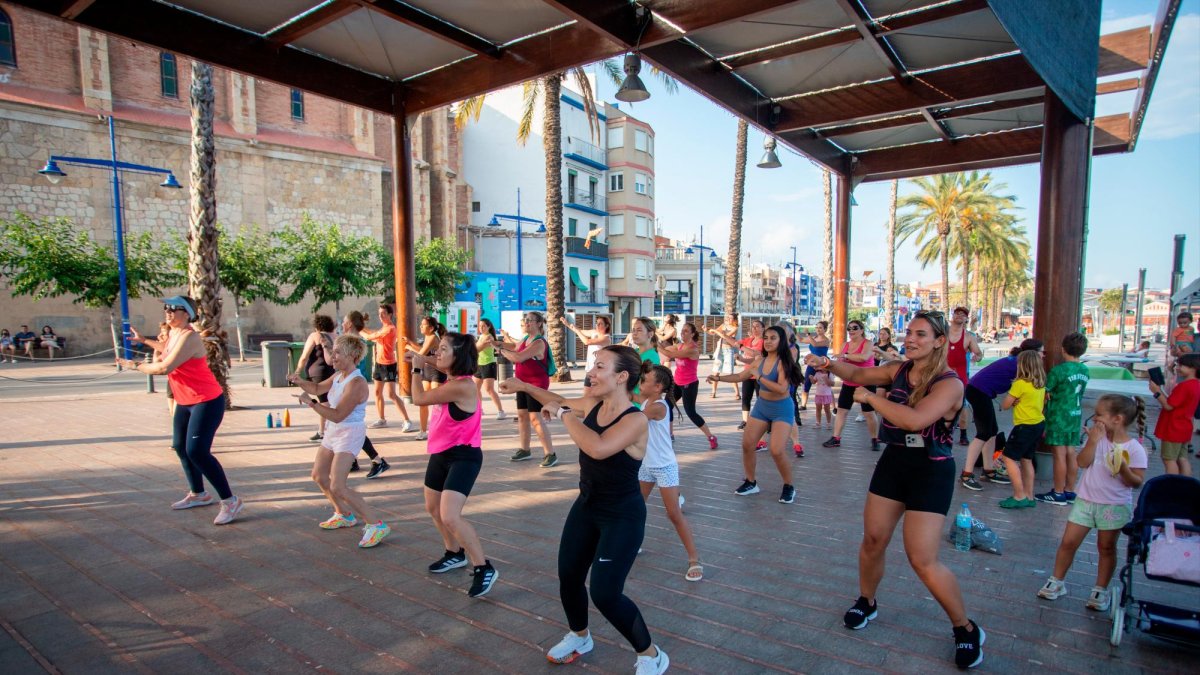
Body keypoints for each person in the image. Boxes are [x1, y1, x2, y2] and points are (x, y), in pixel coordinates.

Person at [807, 310, 984, 669]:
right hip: (895, 462)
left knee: (922, 560)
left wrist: (872, 400)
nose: (911, 339)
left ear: (939, 341)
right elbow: (856, 374)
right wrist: (827, 362)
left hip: (931, 471)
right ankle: (867, 601)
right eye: (909, 333)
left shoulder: (950, 383)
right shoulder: (899, 369)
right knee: (873, 540)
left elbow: (915, 421)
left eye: (921, 334)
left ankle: (965, 628)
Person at [502, 346, 668, 673]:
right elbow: (554, 397)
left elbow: (597, 447)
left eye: (599, 366)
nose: (591, 372)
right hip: (587, 506)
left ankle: (651, 655)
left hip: (622, 516)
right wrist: (523, 387)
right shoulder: (594, 404)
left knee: (606, 594)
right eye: (593, 365)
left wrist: (563, 414)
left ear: (621, 377)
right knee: (569, 576)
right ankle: (580, 636)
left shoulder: (635, 419)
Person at [120, 296, 244, 525]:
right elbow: (166, 350)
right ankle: (199, 494)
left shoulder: (189, 336)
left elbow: (165, 366)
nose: (167, 312)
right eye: (166, 308)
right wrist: (145, 341)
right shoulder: (174, 334)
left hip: (206, 401)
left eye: (173, 308)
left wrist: (136, 365)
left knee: (197, 451)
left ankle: (230, 500)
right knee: (180, 446)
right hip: (185, 401)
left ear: (186, 313)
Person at [407, 332, 498, 597]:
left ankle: (483, 567)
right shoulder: (453, 377)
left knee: (450, 515)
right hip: (441, 453)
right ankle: (454, 553)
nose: (437, 353)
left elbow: (419, 399)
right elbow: (436, 363)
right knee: (433, 508)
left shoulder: (463, 386)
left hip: (464, 456)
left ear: (457, 358)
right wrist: (424, 358)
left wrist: (415, 367)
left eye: (443, 349)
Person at [1037, 395, 1147, 613]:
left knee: (1106, 547)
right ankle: (1056, 580)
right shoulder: (1098, 439)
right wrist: (1093, 441)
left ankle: (1100, 589)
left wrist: (1123, 468)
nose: (1094, 418)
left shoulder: (1134, 449)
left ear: (1117, 418)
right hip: (1086, 500)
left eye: (1099, 414)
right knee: (1068, 542)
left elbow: (1136, 482)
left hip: (1113, 505)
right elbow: (1081, 462)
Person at [291, 335, 390, 548]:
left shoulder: (356, 382)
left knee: (338, 485)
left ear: (352, 356)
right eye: (332, 351)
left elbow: (337, 414)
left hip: (349, 432)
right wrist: (300, 382)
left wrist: (311, 404)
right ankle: (344, 514)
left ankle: (376, 524)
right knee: (318, 475)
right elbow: (318, 389)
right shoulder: (338, 376)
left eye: (337, 352)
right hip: (333, 431)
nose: (332, 356)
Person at [709, 325, 803, 503]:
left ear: (781, 341)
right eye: (766, 338)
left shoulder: (784, 362)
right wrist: (718, 378)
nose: (768, 341)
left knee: (776, 451)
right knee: (747, 444)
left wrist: (759, 377)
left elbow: (783, 389)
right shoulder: (759, 360)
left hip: (782, 409)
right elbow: (740, 377)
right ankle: (751, 482)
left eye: (773, 338)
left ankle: (789, 485)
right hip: (762, 407)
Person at [638, 364, 703, 582]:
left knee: (673, 514)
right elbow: (631, 398)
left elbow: (634, 420)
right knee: (635, 507)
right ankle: (632, 544)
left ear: (657, 387)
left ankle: (694, 558)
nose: (639, 382)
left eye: (643, 380)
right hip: (646, 465)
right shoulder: (646, 400)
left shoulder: (658, 406)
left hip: (665, 466)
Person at [960, 339, 1045, 491]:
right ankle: (966, 474)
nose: (1043, 355)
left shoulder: (1017, 361)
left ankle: (988, 470)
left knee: (992, 431)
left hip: (981, 390)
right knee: (984, 433)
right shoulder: (1019, 364)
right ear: (1032, 353)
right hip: (979, 391)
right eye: (1041, 352)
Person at [497, 312, 557, 467]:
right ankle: (525, 449)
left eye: (529, 320)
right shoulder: (526, 339)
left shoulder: (539, 343)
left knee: (535, 417)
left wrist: (501, 350)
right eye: (525, 320)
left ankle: (550, 453)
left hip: (536, 384)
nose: (526, 322)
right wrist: (498, 343)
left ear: (539, 324)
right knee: (522, 415)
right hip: (521, 383)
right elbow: (515, 347)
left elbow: (518, 357)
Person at [1037, 333, 1090, 505]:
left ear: (1063, 349)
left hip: (1059, 415)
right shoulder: (1084, 370)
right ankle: (1069, 490)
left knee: (1059, 454)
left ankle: (1058, 493)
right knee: (1071, 453)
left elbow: (1046, 391)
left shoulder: (1058, 370)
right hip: (1075, 414)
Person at [342, 311, 392, 479]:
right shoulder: (355, 341)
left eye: (344, 321)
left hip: (353, 385)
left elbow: (347, 365)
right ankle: (353, 460)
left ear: (349, 324)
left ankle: (377, 460)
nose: (342, 325)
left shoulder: (353, 343)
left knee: (352, 425)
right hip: (351, 384)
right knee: (348, 425)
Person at [997, 350, 1047, 509]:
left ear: (1022, 365)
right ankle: (1029, 495)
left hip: (1023, 426)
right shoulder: (1040, 383)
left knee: (1008, 458)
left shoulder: (1020, 384)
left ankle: (1019, 495)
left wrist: (1013, 401)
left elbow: (1004, 405)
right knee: (1027, 459)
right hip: (1038, 424)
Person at [822, 320, 881, 451]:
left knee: (869, 413)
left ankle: (875, 439)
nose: (851, 331)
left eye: (855, 328)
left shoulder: (868, 343)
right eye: (849, 328)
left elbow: (864, 357)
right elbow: (841, 361)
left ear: (861, 330)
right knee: (842, 411)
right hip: (849, 382)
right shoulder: (846, 345)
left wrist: (845, 355)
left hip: (866, 382)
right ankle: (836, 438)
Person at [658, 321, 718, 449]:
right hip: (677, 383)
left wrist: (656, 345)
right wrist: (656, 341)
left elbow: (669, 354)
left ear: (692, 334)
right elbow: (667, 348)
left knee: (691, 412)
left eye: (686, 331)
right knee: (667, 406)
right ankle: (670, 434)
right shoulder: (680, 345)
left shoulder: (692, 349)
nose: (682, 333)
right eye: (682, 330)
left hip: (689, 384)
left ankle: (710, 436)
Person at [361, 303, 414, 432]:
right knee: (377, 393)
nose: (381, 316)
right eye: (379, 314)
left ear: (390, 315)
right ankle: (382, 419)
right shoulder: (383, 328)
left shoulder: (390, 329)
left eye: (383, 313)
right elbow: (372, 334)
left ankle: (407, 420)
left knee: (391, 394)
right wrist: (361, 327)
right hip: (379, 364)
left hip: (389, 364)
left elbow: (369, 337)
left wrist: (358, 328)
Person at [1149, 352, 1199, 476]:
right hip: (1185, 427)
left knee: (1169, 459)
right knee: (1182, 458)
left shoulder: (1184, 386)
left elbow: (1168, 405)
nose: (1177, 368)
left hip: (1173, 428)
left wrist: (1156, 392)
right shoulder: (1196, 385)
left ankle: (1172, 484)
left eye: (1181, 365)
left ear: (1193, 368)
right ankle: (1186, 483)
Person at [402, 316, 446, 441]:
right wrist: (411, 343)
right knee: (423, 402)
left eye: (423, 324)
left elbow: (421, 354)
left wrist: (410, 349)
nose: (421, 326)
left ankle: (440, 429)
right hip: (427, 370)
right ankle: (423, 430)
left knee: (438, 403)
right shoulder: (428, 337)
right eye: (421, 324)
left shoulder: (433, 337)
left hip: (437, 370)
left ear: (431, 328)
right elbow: (423, 350)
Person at [946, 308, 983, 446]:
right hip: (943, 374)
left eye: (963, 314)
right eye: (957, 313)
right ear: (953, 316)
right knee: (941, 403)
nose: (960, 316)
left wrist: (977, 357)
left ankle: (963, 434)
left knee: (963, 406)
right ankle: (945, 432)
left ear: (966, 319)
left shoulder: (968, 337)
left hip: (960, 376)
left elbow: (978, 353)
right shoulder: (943, 334)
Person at [296, 315, 336, 442]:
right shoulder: (336, 336)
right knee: (328, 400)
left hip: (318, 372)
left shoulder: (315, 336)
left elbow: (304, 356)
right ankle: (324, 430)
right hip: (333, 371)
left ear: (317, 326)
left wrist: (297, 372)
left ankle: (323, 432)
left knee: (324, 402)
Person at [474, 318, 507, 420]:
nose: (481, 328)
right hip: (479, 364)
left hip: (488, 364)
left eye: (483, 326)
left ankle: (501, 411)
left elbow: (477, 348)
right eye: (479, 326)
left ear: (489, 327)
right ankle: (479, 409)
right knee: (476, 389)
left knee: (489, 389)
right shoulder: (481, 336)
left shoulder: (489, 337)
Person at [706, 313, 741, 399]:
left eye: (731, 318)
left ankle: (737, 393)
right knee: (716, 371)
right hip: (720, 349)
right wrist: (707, 330)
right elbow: (713, 333)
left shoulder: (735, 328)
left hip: (728, 350)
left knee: (730, 373)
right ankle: (713, 392)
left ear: (735, 320)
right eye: (728, 318)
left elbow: (725, 336)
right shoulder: (723, 325)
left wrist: (714, 330)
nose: (729, 320)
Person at [798, 321, 832, 411]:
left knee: (826, 384)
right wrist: (794, 331)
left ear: (825, 329)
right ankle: (803, 405)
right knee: (806, 383)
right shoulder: (814, 338)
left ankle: (833, 406)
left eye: (820, 328)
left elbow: (815, 344)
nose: (818, 329)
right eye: (816, 327)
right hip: (812, 363)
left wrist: (808, 334)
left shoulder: (826, 340)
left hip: (822, 363)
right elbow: (801, 340)